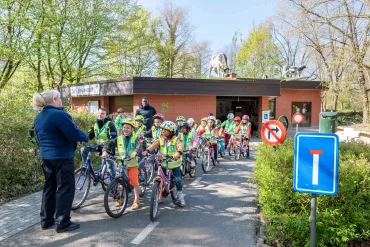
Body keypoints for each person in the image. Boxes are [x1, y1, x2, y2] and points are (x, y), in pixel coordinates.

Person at [33, 90, 88, 233]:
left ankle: (46, 221)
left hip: (47, 157)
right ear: (56, 98)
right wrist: (86, 137)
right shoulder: (59, 114)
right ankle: (63, 222)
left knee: (49, 188)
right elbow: (73, 133)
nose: (62, 100)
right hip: (62, 157)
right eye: (60, 98)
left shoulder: (39, 117)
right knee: (65, 188)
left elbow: (38, 138)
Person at [142, 121, 185, 206]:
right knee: (161, 178)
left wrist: (178, 153)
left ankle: (180, 194)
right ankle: (160, 194)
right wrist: (147, 150)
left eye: (165, 130)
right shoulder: (160, 139)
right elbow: (154, 145)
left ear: (171, 131)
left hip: (174, 163)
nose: (163, 131)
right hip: (164, 163)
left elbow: (180, 146)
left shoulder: (176, 139)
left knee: (177, 179)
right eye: (162, 130)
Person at [109, 119, 142, 210]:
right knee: (120, 182)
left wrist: (135, 152)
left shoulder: (135, 138)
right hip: (122, 164)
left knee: (135, 183)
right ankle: (120, 198)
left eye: (128, 128)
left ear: (132, 129)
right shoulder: (118, 139)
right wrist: (104, 151)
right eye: (124, 127)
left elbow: (139, 146)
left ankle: (136, 201)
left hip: (132, 165)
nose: (125, 129)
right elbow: (108, 144)